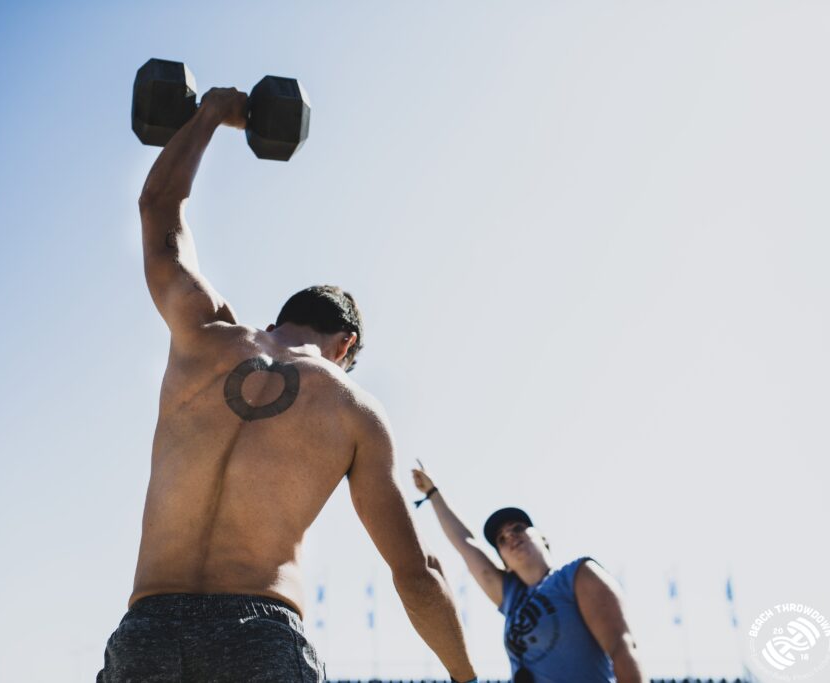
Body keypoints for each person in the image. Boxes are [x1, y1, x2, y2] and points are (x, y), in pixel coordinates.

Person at [96, 87, 478, 683]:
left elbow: (159, 207)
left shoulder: (202, 334)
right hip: (259, 640)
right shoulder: (355, 410)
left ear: (279, 320)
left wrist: (211, 115)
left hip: (147, 635)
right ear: (345, 346)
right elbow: (417, 572)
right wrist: (466, 676)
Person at [411, 463, 646, 683]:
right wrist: (433, 493)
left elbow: (622, 648)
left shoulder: (578, 574)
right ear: (504, 562)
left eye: (518, 528)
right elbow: (465, 542)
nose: (510, 536)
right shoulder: (511, 597)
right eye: (501, 539)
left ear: (543, 539)